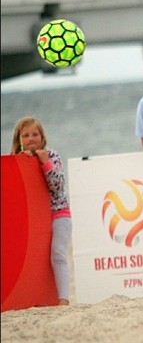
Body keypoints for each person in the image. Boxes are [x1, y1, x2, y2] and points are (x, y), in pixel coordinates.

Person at [10, 117, 72, 305]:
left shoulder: (51, 155)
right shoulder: (17, 159)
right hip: (35, 219)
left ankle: (63, 299)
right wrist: (22, 161)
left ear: (42, 137)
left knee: (58, 253)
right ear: (19, 139)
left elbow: (58, 186)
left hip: (59, 213)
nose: (31, 139)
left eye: (35, 134)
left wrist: (45, 163)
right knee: (33, 258)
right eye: (26, 135)